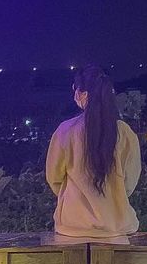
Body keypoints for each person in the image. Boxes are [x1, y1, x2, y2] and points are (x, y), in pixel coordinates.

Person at [45, 65, 141, 242]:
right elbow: (129, 183)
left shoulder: (65, 131)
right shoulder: (124, 132)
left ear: (81, 93)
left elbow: (54, 179)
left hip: (72, 228)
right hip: (116, 228)